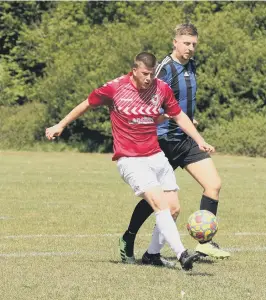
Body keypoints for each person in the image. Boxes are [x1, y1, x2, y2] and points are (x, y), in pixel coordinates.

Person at [45, 52, 216, 271]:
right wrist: (60, 125)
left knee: (173, 208)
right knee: (158, 203)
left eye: (152, 74)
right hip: (130, 159)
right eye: (145, 73)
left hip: (156, 156)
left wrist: (199, 140)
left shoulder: (161, 88)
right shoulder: (115, 88)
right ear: (134, 70)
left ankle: (152, 255)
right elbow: (86, 103)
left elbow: (179, 116)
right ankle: (182, 254)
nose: (148, 78)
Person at [119, 24, 230, 267]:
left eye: (194, 44)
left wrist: (189, 120)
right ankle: (129, 237)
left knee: (213, 185)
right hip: (162, 141)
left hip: (185, 140)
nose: (190, 48)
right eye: (186, 43)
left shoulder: (191, 65)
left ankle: (204, 241)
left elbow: (180, 102)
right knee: (156, 201)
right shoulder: (164, 68)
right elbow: (146, 97)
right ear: (175, 42)